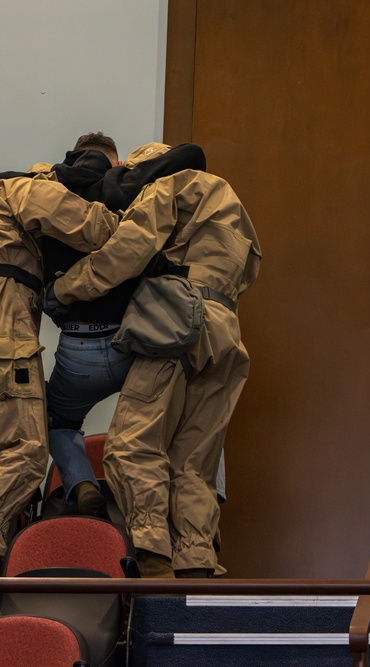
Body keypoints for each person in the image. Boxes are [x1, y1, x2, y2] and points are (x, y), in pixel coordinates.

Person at [48, 161, 261, 578]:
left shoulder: (169, 184)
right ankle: (196, 566)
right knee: (194, 465)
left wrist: (64, 288)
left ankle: (154, 564)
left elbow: (124, 252)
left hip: (178, 323)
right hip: (226, 333)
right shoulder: (232, 204)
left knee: (132, 446)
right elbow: (249, 271)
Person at [0, 134, 207, 519]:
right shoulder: (129, 188)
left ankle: (82, 483)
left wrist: (54, 174)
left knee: (55, 420)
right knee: (188, 412)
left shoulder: (47, 192)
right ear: (116, 162)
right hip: (135, 345)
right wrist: (125, 174)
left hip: (78, 351)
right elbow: (193, 154)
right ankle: (189, 504)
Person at [0, 167, 119, 559]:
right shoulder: (27, 188)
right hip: (0, 326)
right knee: (29, 450)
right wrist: (128, 219)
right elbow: (90, 226)